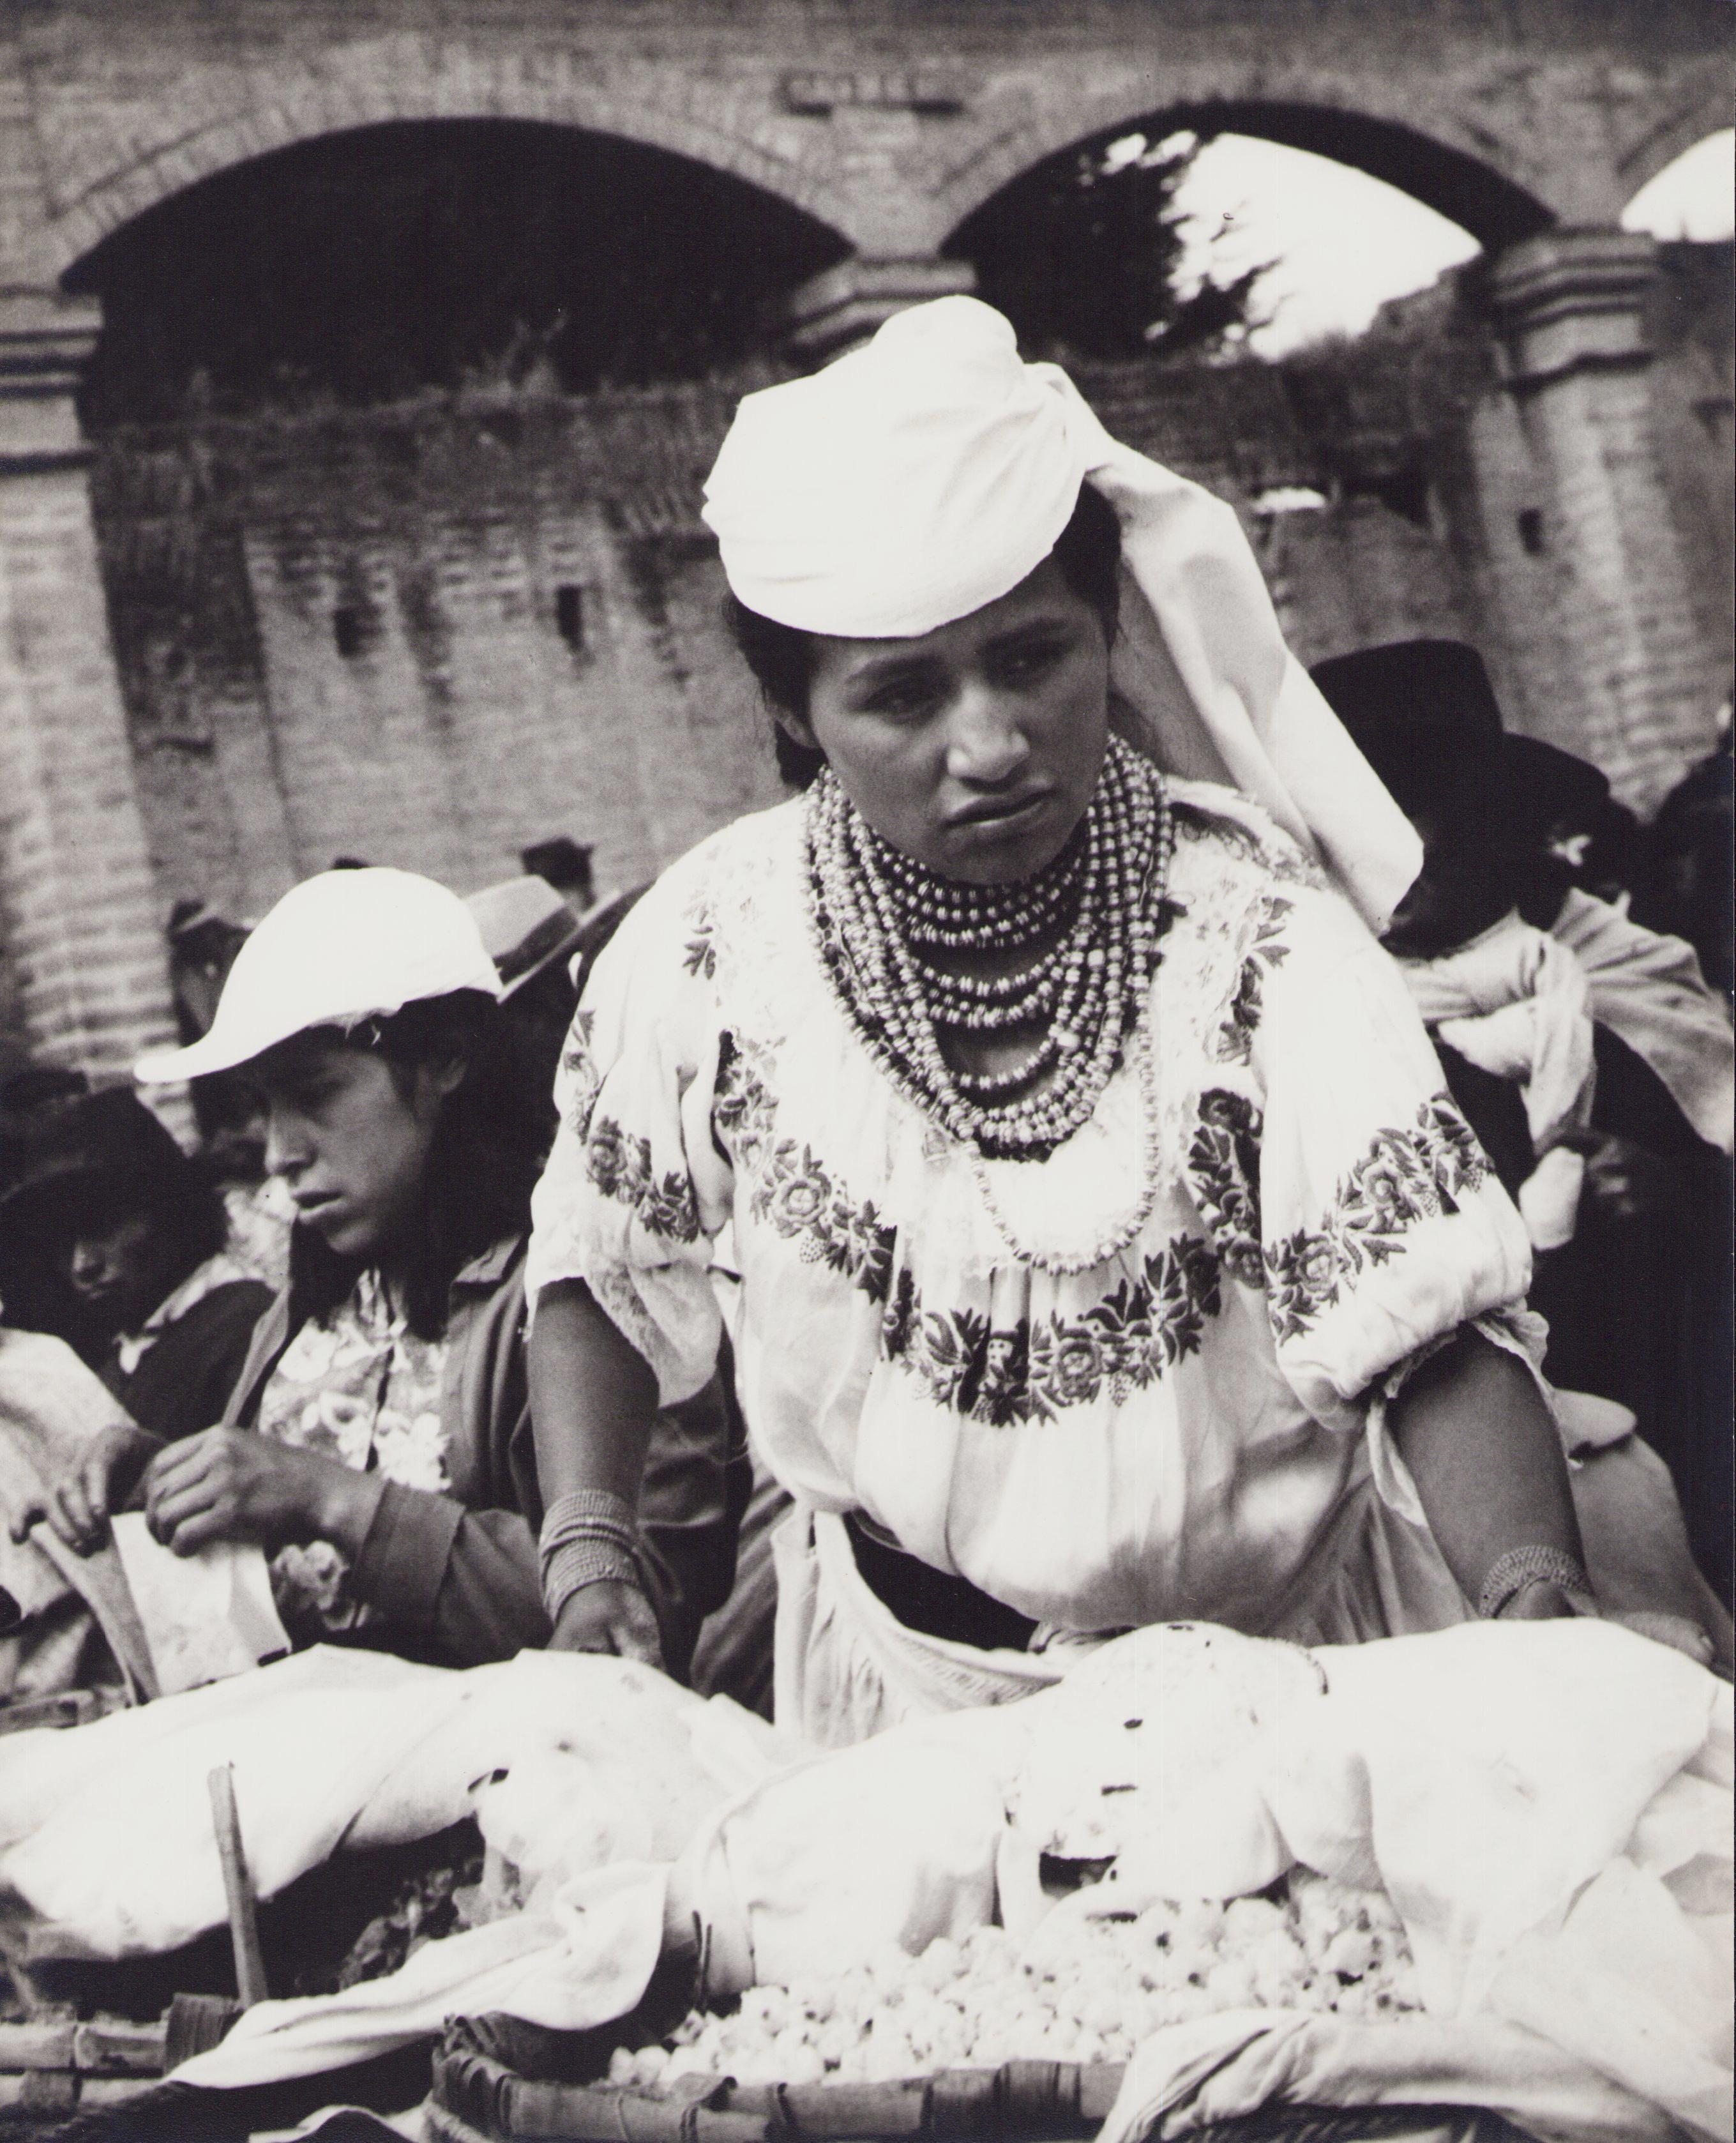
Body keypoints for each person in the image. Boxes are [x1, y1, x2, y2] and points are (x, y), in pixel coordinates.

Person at [524, 298, 1723, 1746]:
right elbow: (598, 1260)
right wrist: (589, 1546)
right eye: (902, 694)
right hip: (925, 1702)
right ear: (796, 718)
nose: (988, 743)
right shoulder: (714, 946)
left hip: (1304, 1671)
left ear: (1107, 629)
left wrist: (1529, 1594)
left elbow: (1432, 1329)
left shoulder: (1247, 926)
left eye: (1032, 657)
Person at [24, 868, 739, 1676]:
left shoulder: (589, 1287)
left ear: (443, 1061)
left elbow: (645, 1614)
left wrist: (332, 1500)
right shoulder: (311, 1301)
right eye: (264, 1108)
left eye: (316, 1096)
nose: (278, 1153)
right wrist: (160, 1473)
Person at [1311, 641, 1735, 1603]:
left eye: (1416, 824)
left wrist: (1673, 1190)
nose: (1393, 867)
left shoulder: (1607, 970)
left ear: (1490, 827)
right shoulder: (1326, 1016)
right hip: (1447, 1485)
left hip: (1671, 1410)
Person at [0, 1084, 271, 1437]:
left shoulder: (249, 1326)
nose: (82, 1266)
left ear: (169, 1208)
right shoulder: (113, 1366)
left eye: (103, 1226)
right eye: (61, 1242)